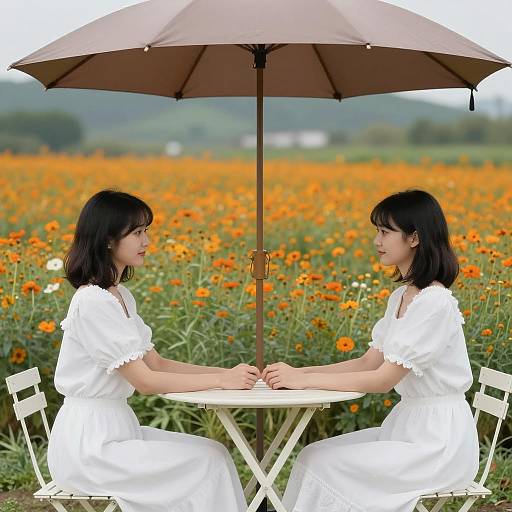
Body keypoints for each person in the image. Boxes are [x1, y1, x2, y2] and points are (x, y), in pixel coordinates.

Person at [262, 189, 479, 512]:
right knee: (311, 456)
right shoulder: (403, 297)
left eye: (384, 232)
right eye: (377, 231)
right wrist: (298, 373)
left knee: (327, 464)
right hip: (408, 428)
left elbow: (382, 380)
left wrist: (302, 381)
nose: (377, 240)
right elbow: (368, 361)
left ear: (414, 238)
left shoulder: (434, 303)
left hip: (438, 444)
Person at [47, 189, 259, 512]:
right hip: (90, 448)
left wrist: (226, 375)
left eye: (146, 231)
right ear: (107, 240)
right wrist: (220, 382)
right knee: (208, 462)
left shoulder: (120, 296)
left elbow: (156, 363)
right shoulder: (92, 302)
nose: (146, 241)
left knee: (215, 454)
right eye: (137, 233)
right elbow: (146, 381)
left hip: (117, 431)